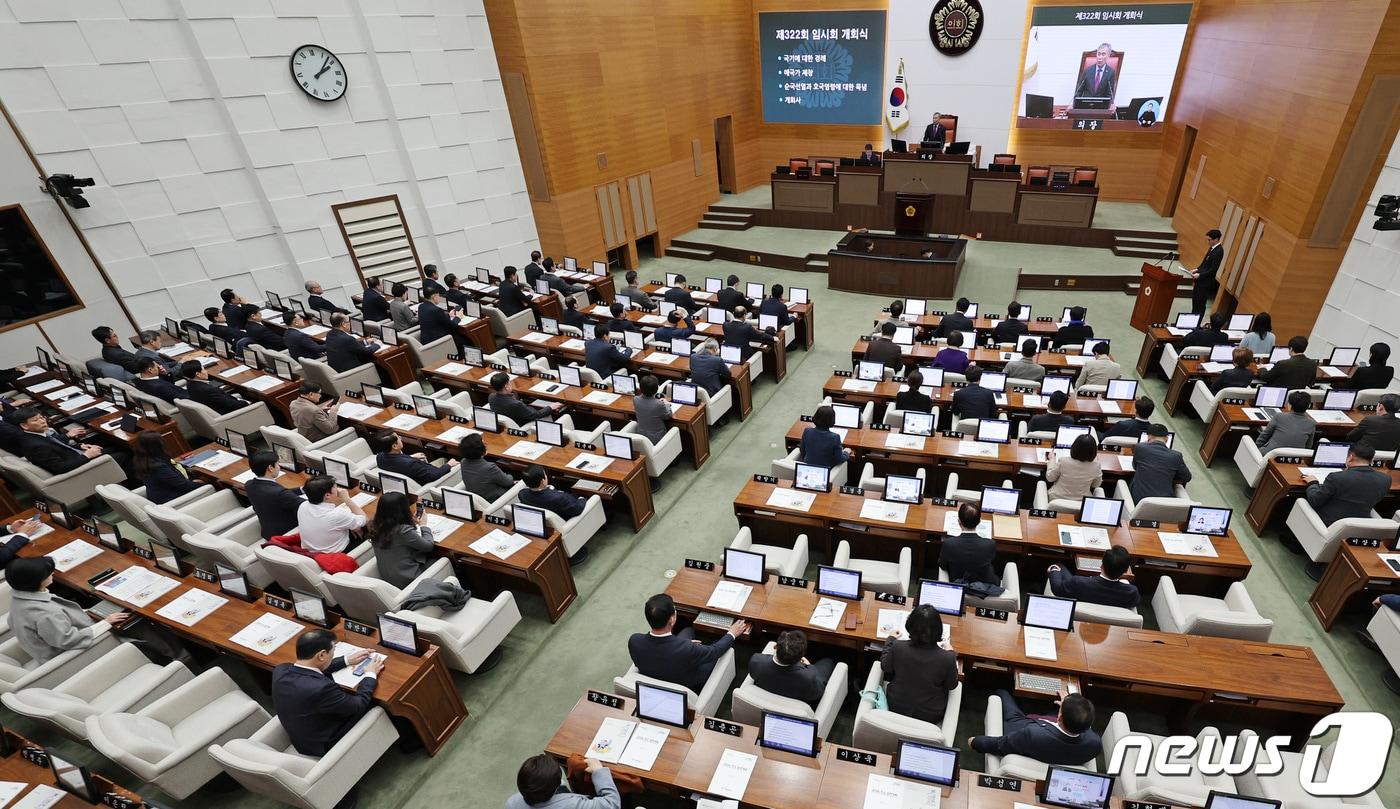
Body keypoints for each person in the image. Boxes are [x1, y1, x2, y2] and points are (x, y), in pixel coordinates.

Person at [271, 630, 383, 761]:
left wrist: (347, 660)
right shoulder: (321, 689)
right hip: (326, 742)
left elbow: (310, 671)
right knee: (377, 701)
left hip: (303, 739)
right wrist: (370, 674)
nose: (334, 653)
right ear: (322, 655)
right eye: (333, 650)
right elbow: (358, 705)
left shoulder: (281, 670)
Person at [7, 557, 130, 664]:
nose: (52, 573)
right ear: (35, 581)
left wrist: (89, 612)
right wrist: (106, 622)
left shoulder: (19, 599)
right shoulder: (45, 614)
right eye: (47, 573)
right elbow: (68, 640)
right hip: (72, 655)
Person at [628, 593, 749, 694]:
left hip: (659, 672)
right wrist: (732, 633)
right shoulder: (687, 649)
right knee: (717, 643)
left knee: (688, 631)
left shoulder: (634, 641)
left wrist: (682, 644)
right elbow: (714, 651)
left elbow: (664, 648)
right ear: (672, 619)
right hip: (690, 682)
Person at [970, 690, 1102, 765]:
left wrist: (975, 742)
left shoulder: (1032, 735)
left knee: (1003, 693)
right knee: (1050, 708)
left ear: (1060, 718)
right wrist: (1069, 706)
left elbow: (999, 745)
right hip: (1052, 740)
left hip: (1019, 725)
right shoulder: (1094, 744)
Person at [880, 604, 958, 724]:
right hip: (930, 715)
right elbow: (951, 685)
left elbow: (886, 667)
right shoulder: (948, 657)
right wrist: (951, 652)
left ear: (910, 625)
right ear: (938, 630)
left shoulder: (898, 647)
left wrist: (890, 640)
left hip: (896, 707)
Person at [14, 407, 123, 475]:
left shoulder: (35, 435)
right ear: (24, 425)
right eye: (35, 420)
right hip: (79, 468)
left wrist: (80, 446)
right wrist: (87, 455)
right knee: (124, 453)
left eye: (42, 417)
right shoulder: (35, 445)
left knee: (114, 446)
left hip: (76, 455)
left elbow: (57, 446)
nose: (42, 421)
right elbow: (60, 468)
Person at [1304, 443, 1391, 526]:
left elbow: (1314, 501)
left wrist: (1313, 483)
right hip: (1361, 524)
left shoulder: (1336, 477)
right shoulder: (1385, 479)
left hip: (1328, 523)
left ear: (1350, 457)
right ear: (1372, 460)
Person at [747, 629, 835, 708]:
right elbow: (817, 694)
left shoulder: (756, 661)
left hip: (766, 695)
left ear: (775, 647)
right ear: (802, 657)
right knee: (828, 661)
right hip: (797, 704)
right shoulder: (809, 676)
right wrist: (809, 666)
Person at [369, 491, 436, 589]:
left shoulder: (375, 525)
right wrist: (424, 525)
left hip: (390, 578)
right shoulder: (403, 530)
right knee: (442, 559)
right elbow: (428, 546)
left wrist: (412, 521)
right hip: (409, 579)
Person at [507, 753, 620, 809]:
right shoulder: (572, 805)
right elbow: (612, 804)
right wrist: (599, 772)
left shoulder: (511, 803)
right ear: (556, 786)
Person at [1049, 545, 1139, 609]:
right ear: (1126, 570)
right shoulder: (1131, 592)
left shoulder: (1078, 582)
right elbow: (1133, 603)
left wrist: (1054, 570)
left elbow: (1057, 589)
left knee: (1059, 565)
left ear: (1101, 566)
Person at [296, 475, 367, 554]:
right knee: (368, 530)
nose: (338, 489)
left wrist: (350, 524)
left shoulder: (303, 505)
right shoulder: (337, 515)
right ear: (327, 495)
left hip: (312, 551)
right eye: (336, 487)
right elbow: (364, 519)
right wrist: (346, 499)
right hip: (336, 553)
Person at [246, 450, 305, 540]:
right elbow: (306, 507)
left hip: (268, 533)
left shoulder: (249, 485)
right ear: (270, 468)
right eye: (277, 464)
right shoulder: (280, 494)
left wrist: (301, 490)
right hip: (288, 535)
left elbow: (280, 495)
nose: (279, 467)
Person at [133, 429, 200, 504]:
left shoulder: (143, 459)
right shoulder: (158, 467)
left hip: (165, 493)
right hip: (173, 500)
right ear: (156, 446)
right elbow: (185, 486)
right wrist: (205, 482)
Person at [1129, 423, 1192, 501]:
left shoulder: (1140, 447)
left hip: (1138, 501)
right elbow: (1187, 477)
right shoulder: (1176, 456)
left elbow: (1135, 466)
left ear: (1148, 437)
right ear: (1167, 438)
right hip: (1164, 503)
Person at [374, 429, 458, 485]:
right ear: (395, 446)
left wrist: (411, 456)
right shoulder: (411, 464)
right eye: (399, 438)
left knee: (443, 459)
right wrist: (449, 465)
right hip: (430, 480)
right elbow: (433, 476)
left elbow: (396, 462)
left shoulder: (380, 457)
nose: (400, 438)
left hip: (414, 473)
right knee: (453, 463)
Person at [941, 503, 998, 584]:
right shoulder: (990, 544)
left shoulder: (949, 544)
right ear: (979, 522)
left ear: (958, 521)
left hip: (958, 585)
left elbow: (943, 564)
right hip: (983, 588)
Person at [458, 433, 515, 503]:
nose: (485, 444)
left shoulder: (463, 461)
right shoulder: (489, 467)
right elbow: (508, 482)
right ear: (480, 449)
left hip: (478, 497)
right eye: (483, 442)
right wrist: (510, 475)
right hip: (495, 500)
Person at [1046, 433, 1103, 502]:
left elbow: (1050, 478)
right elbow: (1096, 485)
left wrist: (1052, 460)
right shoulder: (1096, 465)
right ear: (1094, 451)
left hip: (1057, 500)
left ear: (1074, 447)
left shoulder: (1063, 461)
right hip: (1080, 503)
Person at [519, 464, 585, 520]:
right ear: (542, 481)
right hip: (565, 518)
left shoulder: (522, 494)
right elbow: (577, 509)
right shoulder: (560, 498)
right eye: (545, 474)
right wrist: (582, 498)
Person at [182, 360, 247, 414]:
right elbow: (231, 405)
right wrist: (247, 403)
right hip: (233, 413)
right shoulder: (208, 390)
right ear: (198, 374)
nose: (206, 371)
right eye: (203, 369)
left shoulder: (190, 384)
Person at [418, 288, 467, 354]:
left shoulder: (421, 306)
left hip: (426, 340)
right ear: (434, 297)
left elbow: (437, 320)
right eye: (438, 296)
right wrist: (458, 317)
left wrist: (449, 315)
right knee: (465, 339)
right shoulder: (436, 310)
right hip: (439, 341)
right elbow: (453, 326)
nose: (439, 298)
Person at [1189, 229, 1224, 315]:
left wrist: (1200, 275)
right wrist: (1197, 269)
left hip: (1205, 282)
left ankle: (1197, 324)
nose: (1208, 242)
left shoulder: (1219, 251)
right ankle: (1191, 320)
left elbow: (1213, 270)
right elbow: (1204, 263)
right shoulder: (1212, 248)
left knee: (1200, 305)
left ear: (1216, 239)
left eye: (1209, 240)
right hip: (1200, 281)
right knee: (1195, 303)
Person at [632, 375, 669, 446]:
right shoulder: (659, 404)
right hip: (657, 439)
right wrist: (666, 404)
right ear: (656, 389)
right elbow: (667, 416)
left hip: (641, 435)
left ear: (640, 388)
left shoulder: (635, 399)